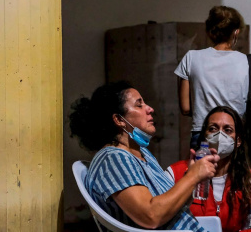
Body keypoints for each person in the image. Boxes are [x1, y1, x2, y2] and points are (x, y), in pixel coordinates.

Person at [69, 81, 220, 231]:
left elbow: (171, 207)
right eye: (139, 105)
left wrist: (194, 177)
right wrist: (192, 177)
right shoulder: (112, 159)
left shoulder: (141, 153)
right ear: (119, 120)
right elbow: (151, 216)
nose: (150, 109)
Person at [175, 6, 251, 149]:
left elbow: (186, 108)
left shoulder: (191, 58)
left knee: (203, 171)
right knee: (235, 172)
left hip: (202, 133)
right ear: (236, 32)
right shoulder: (250, 62)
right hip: (235, 135)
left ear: (210, 31)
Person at [166, 106, 251, 232]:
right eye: (213, 129)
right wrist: (190, 178)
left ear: (238, 141)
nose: (220, 135)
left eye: (227, 130)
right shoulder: (175, 173)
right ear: (204, 136)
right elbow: (160, 219)